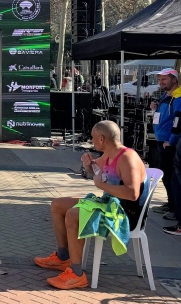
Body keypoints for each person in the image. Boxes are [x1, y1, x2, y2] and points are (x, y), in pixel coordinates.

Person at [34, 120, 148, 289]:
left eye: (93, 137)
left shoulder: (127, 158)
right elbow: (94, 171)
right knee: (58, 204)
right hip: (109, 205)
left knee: (74, 214)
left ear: (102, 139)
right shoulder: (109, 154)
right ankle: (63, 257)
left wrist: (101, 185)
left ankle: (77, 274)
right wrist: (88, 165)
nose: (91, 140)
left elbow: (132, 194)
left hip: (124, 215)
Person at [149, 68, 181, 220]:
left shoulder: (178, 97)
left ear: (174, 79)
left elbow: (178, 121)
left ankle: (175, 210)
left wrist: (171, 141)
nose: (160, 82)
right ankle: (171, 203)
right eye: (159, 79)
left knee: (171, 176)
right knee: (166, 175)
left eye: (164, 79)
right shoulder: (166, 94)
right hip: (161, 140)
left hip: (169, 143)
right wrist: (156, 108)